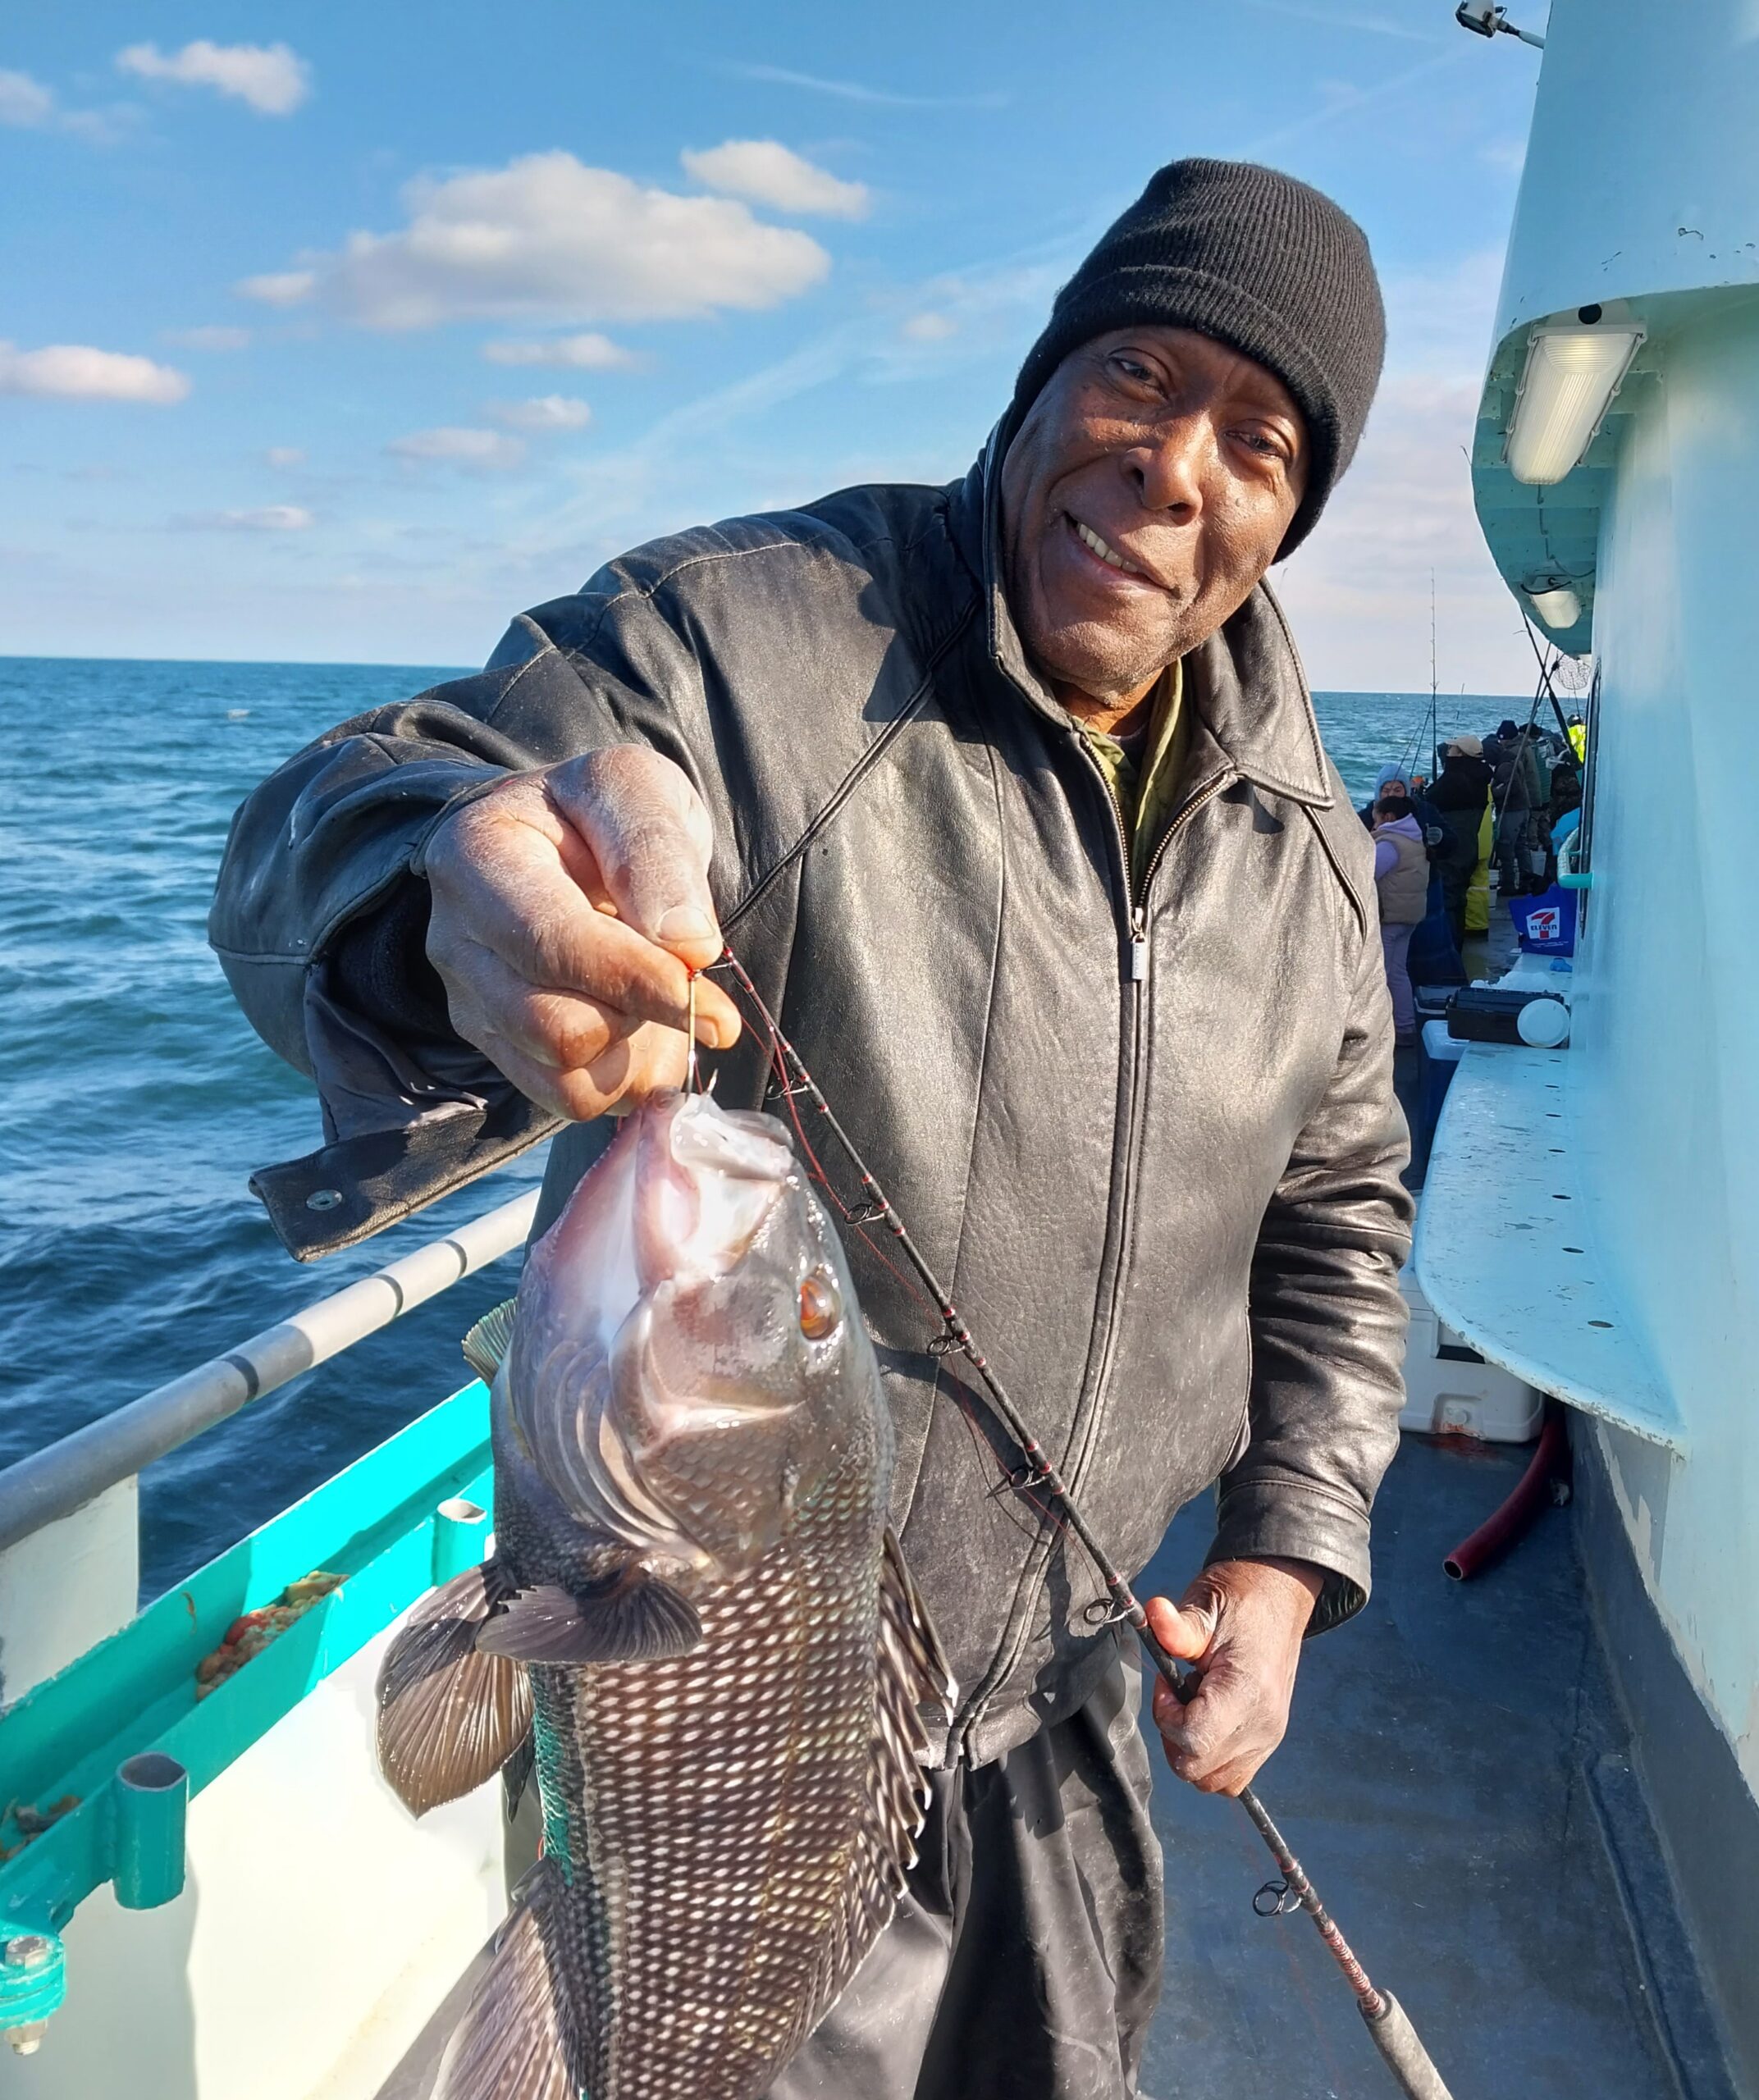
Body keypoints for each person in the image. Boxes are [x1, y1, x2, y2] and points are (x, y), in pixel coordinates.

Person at [210, 158, 1410, 2100]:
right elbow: (357, 804)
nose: (1174, 466)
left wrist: (1286, 1550)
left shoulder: (1302, 826)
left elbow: (1342, 1204)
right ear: (1033, 392)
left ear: (1284, 519)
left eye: (1257, 439)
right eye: (1135, 376)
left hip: (1080, 1715)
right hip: (738, 1723)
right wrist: (437, 884)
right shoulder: (748, 642)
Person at [1372, 793, 1426, 1044]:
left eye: (1376, 819)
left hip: (1390, 918)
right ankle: (1405, 1025)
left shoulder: (1390, 843)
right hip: (1409, 917)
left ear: (1388, 817)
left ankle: (1385, 1030)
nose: (1374, 825)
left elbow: (1369, 873)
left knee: (1382, 974)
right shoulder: (1413, 838)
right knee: (1398, 973)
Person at [1428, 735, 1493, 943]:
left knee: (1447, 899)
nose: (1448, 752)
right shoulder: (1479, 778)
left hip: (1451, 851)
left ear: (1461, 754)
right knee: (1459, 898)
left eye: (1453, 749)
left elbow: (1428, 802)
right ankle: (1456, 946)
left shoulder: (1455, 778)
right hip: (1470, 847)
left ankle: (1447, 946)